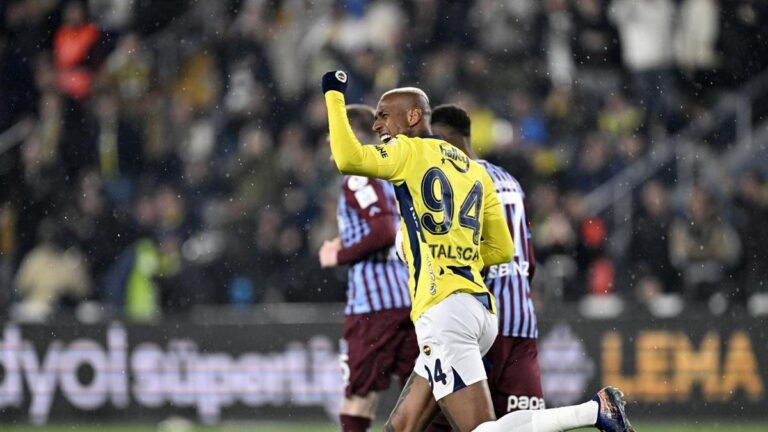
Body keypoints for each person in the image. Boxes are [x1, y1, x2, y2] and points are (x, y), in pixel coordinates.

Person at [321, 70, 633, 432]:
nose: (377, 125)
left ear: (414, 116)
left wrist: (333, 93)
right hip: (479, 309)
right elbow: (501, 250)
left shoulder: (407, 150)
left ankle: (593, 411)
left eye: (384, 115)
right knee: (402, 428)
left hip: (444, 310)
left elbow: (347, 158)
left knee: (482, 431)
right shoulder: (473, 170)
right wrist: (454, 254)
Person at [427, 104, 543, 430]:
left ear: (443, 141)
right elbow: (529, 260)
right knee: (523, 426)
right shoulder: (510, 181)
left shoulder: (456, 183)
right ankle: (591, 413)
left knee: (441, 424)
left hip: (477, 326)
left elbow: (462, 257)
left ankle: (590, 413)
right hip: (520, 322)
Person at [318, 105, 418, 432]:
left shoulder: (359, 176)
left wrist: (339, 255)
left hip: (374, 307)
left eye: (334, 137)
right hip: (410, 299)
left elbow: (384, 231)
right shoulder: (395, 174)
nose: (330, 146)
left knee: (359, 395)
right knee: (422, 397)